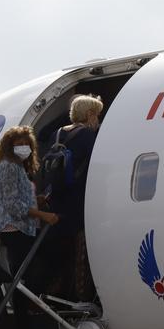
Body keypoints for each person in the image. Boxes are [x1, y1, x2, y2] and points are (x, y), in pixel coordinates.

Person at [0, 126, 59, 329]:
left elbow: (18, 198)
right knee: (23, 279)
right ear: (9, 147)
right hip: (14, 228)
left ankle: (28, 316)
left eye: (26, 144)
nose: (23, 148)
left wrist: (36, 201)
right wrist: (43, 215)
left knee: (30, 273)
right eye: (18, 144)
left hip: (24, 227)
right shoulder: (9, 167)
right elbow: (12, 205)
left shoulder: (18, 167)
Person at [49, 94, 104, 304]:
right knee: (80, 254)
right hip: (79, 201)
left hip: (57, 201)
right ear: (90, 115)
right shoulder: (88, 136)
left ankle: (55, 297)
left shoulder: (57, 134)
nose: (98, 119)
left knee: (63, 255)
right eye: (97, 115)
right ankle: (81, 297)